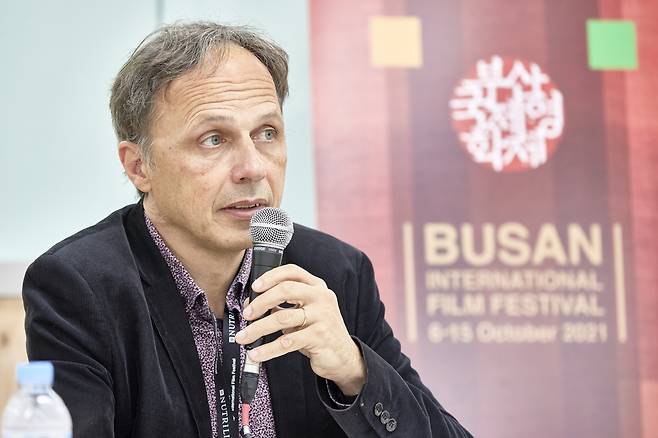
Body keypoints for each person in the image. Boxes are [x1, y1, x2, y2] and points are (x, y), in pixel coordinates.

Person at [22, 22, 473, 438]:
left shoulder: (335, 273)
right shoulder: (80, 287)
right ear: (139, 167)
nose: (253, 168)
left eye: (268, 133)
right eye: (213, 139)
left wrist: (355, 371)